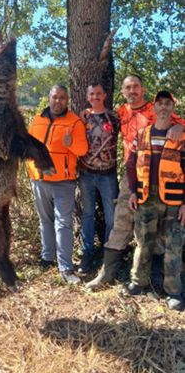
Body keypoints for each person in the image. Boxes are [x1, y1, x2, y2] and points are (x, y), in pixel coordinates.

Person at [86, 75, 184, 290]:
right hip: (133, 177)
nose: (132, 91)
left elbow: (178, 125)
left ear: (143, 89)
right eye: (128, 88)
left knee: (157, 231)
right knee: (121, 221)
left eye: (136, 87)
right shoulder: (122, 112)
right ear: (123, 91)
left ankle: (155, 278)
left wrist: (181, 128)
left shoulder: (155, 108)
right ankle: (108, 272)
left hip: (160, 180)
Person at [122, 90, 185, 311]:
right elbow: (131, 165)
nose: (164, 107)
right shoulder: (142, 134)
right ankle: (138, 282)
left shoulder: (182, 135)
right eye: (160, 103)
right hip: (146, 197)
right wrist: (132, 191)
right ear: (155, 107)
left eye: (168, 103)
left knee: (174, 245)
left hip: (174, 200)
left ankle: (174, 291)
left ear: (172, 108)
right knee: (143, 242)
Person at [27, 85, 88, 284]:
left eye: (62, 98)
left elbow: (82, 150)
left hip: (63, 183)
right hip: (39, 179)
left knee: (63, 225)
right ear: (49, 97)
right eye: (55, 97)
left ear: (67, 100)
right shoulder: (38, 119)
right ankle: (47, 258)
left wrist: (70, 143)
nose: (58, 101)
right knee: (44, 221)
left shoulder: (75, 121)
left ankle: (66, 268)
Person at [77, 83, 120, 273]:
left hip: (108, 175)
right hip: (86, 173)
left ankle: (109, 255)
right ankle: (87, 253)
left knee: (112, 216)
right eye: (92, 94)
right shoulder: (81, 119)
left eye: (99, 94)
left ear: (104, 95)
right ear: (87, 96)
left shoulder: (114, 117)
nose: (95, 97)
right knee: (87, 215)